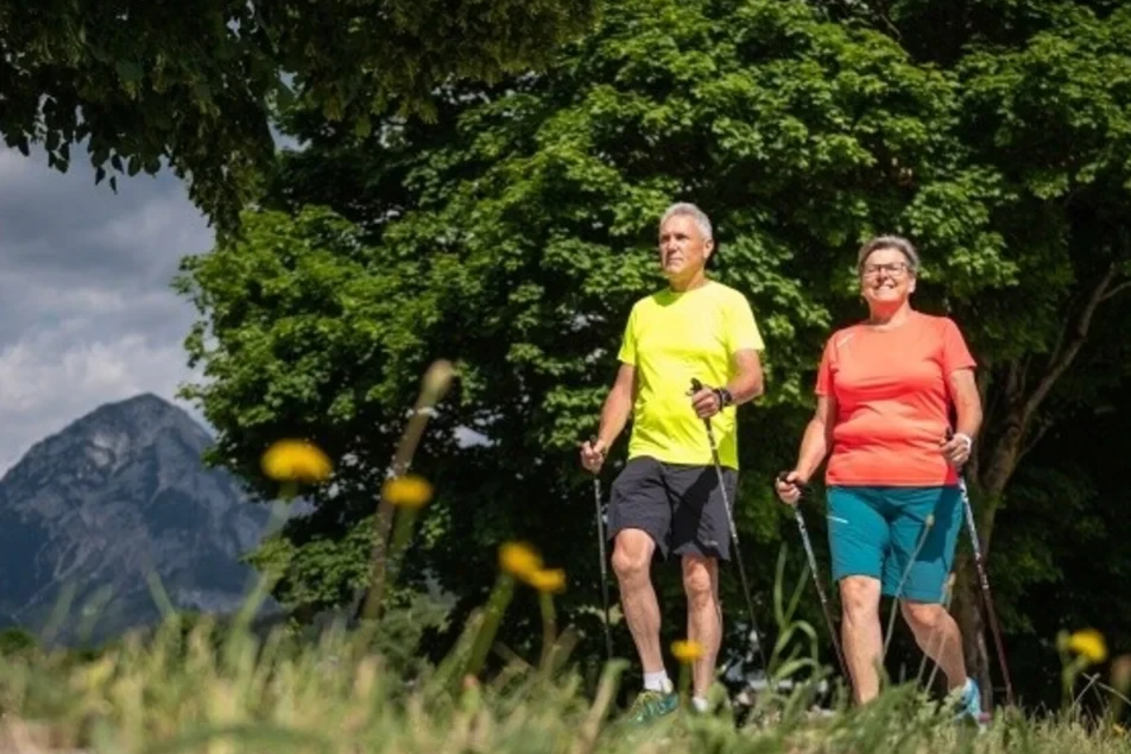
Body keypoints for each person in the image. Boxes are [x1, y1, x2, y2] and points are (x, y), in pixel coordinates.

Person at [774, 235, 984, 722]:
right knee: (858, 594)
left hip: (927, 483)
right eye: (872, 269)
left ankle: (961, 688)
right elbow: (822, 422)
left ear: (912, 280)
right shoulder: (840, 342)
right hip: (852, 486)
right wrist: (802, 474)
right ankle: (869, 722)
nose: (882, 274)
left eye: (893, 268)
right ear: (861, 282)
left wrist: (966, 440)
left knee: (921, 612)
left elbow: (968, 402)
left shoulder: (941, 331)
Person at [579, 202, 765, 722]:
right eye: (663, 238)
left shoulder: (729, 303)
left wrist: (723, 396)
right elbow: (623, 388)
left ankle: (702, 700)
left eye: (681, 237)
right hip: (647, 454)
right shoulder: (644, 310)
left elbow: (754, 378)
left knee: (699, 581)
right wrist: (603, 442)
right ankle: (657, 686)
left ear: (707, 247)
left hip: (707, 458)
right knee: (627, 560)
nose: (670, 246)